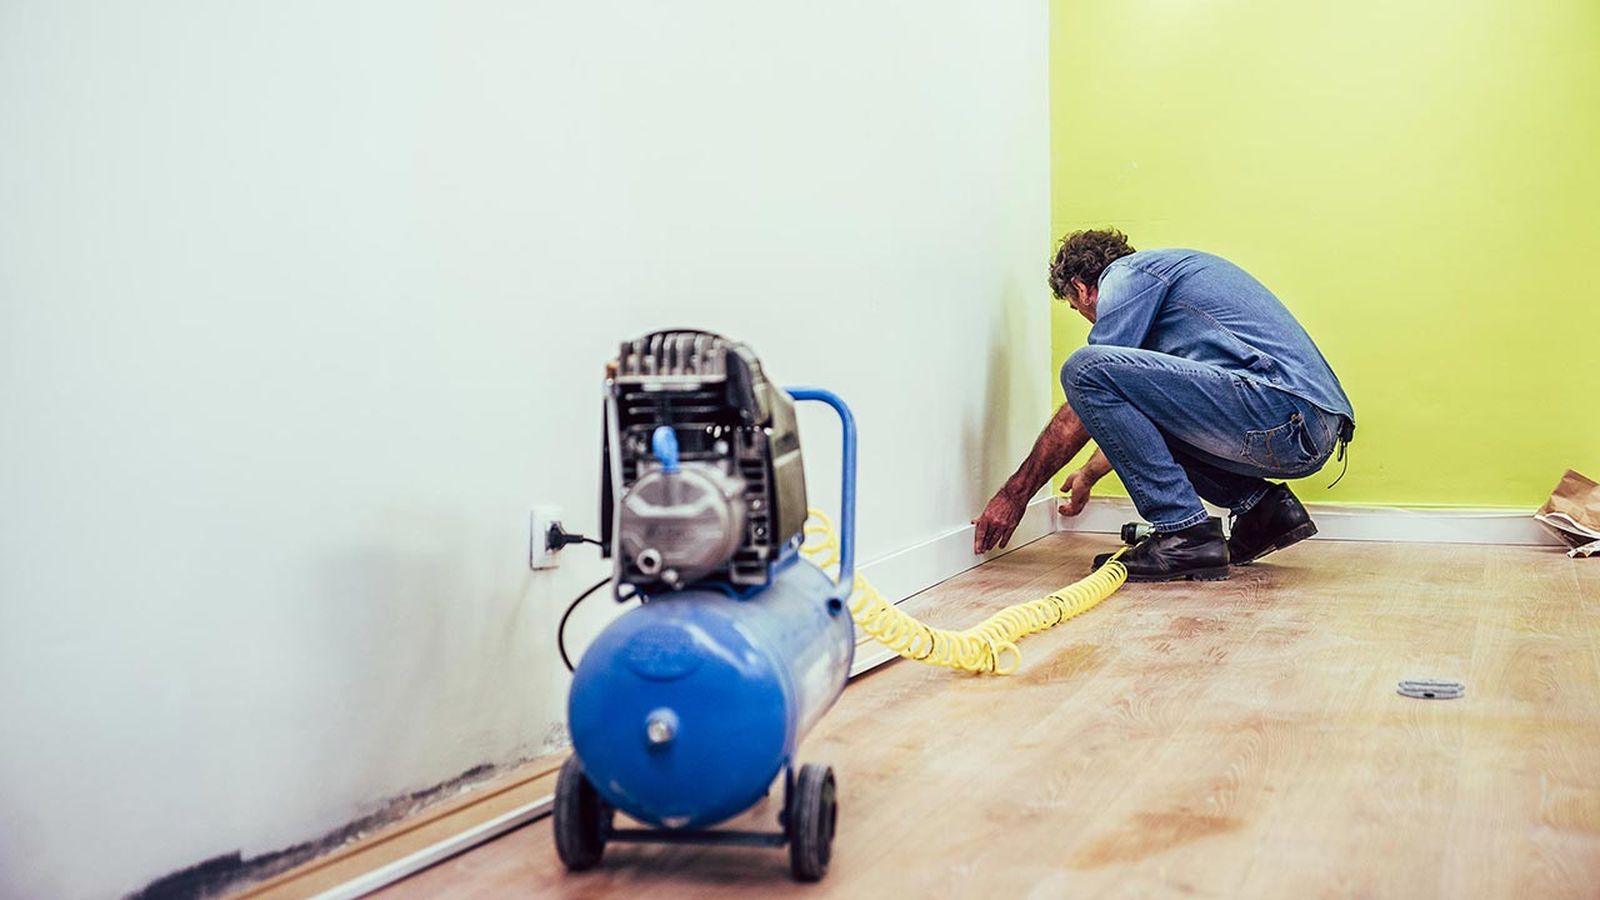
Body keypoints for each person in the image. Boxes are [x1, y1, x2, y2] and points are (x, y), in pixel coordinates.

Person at [972, 229, 1355, 581]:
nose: (1089, 318)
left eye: (1078, 308)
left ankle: (1184, 532)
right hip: (1302, 426)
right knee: (1118, 385)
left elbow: (1088, 391)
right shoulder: (1166, 294)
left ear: (1081, 288)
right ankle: (1263, 512)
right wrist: (1089, 473)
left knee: (1084, 369)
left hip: (1281, 411)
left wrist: (1016, 493)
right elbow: (1143, 420)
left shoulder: (1126, 274)